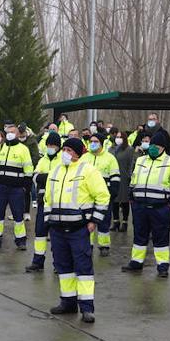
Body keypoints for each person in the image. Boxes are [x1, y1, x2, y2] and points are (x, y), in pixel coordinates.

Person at [45, 137, 110, 323]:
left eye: (70, 150)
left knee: (83, 268)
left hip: (79, 229)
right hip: (57, 229)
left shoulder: (88, 171)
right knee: (63, 268)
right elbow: (47, 200)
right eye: (64, 149)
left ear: (77, 153)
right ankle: (68, 302)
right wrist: (48, 221)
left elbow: (103, 197)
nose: (66, 153)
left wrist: (94, 221)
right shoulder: (55, 171)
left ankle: (87, 308)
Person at [123, 140, 170, 277]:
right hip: (140, 206)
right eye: (152, 145)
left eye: (157, 146)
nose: (153, 148)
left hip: (160, 208)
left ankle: (162, 266)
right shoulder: (141, 160)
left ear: (163, 147)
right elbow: (133, 180)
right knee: (139, 234)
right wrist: (132, 198)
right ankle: (136, 262)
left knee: (160, 236)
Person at [0, 124, 33, 252]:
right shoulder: (0, 147)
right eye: (8, 131)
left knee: (18, 216)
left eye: (13, 132)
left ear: (18, 134)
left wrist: (26, 186)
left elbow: (28, 168)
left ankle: (21, 241)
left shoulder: (23, 149)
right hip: (0, 187)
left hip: (16, 189)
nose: (10, 134)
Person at [26, 132, 63, 273]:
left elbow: (61, 177)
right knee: (40, 233)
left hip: (58, 203)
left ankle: (58, 264)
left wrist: (45, 177)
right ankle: (38, 262)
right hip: (43, 202)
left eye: (53, 145)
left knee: (56, 235)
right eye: (48, 145)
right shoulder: (43, 160)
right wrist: (50, 177)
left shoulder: (62, 160)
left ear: (58, 146)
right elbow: (35, 177)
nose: (50, 147)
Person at [110, 130, 136, 233]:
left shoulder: (129, 149)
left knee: (125, 200)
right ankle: (116, 221)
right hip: (113, 177)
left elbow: (131, 164)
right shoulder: (111, 149)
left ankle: (125, 222)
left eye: (120, 137)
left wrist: (130, 176)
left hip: (125, 177)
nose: (118, 138)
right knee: (114, 200)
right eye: (117, 136)